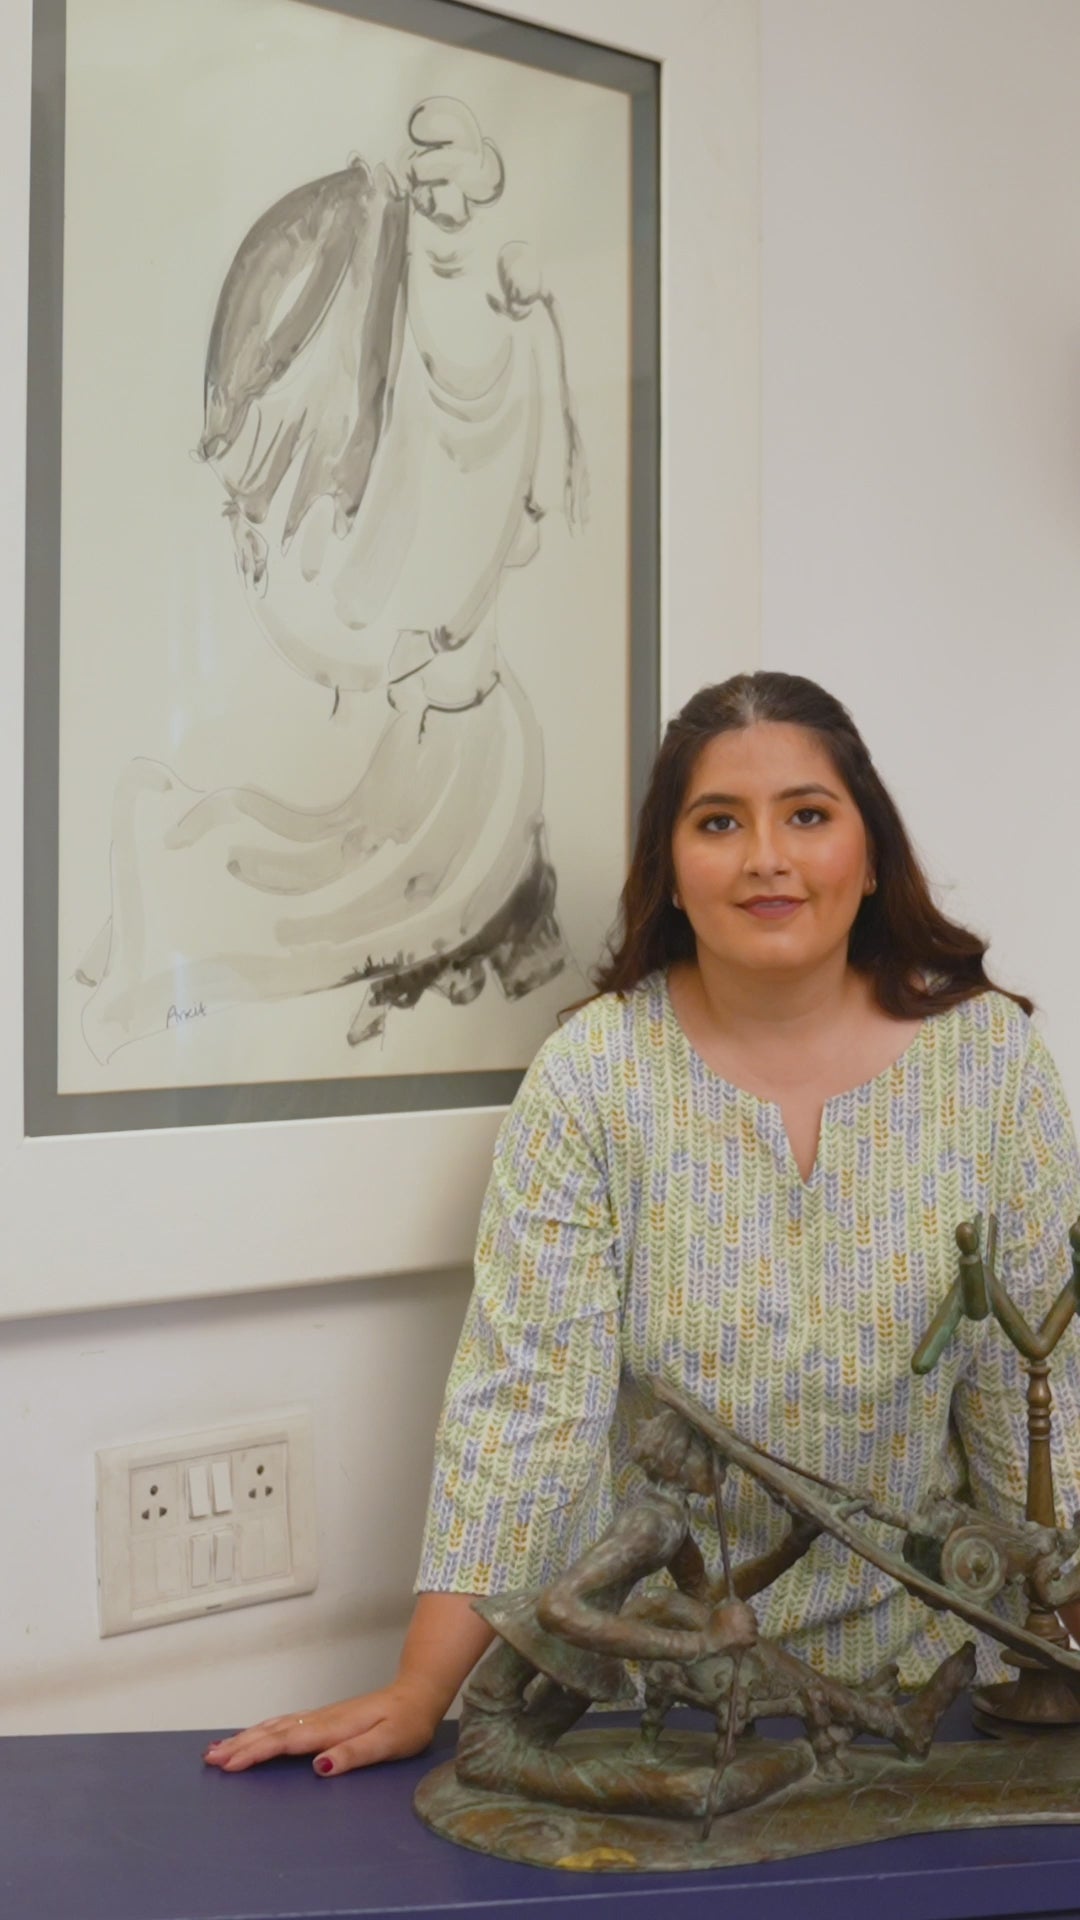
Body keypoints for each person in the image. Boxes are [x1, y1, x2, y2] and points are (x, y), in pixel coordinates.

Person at [203, 670, 1080, 1778]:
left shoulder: (992, 1064)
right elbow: (528, 1413)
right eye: (720, 823)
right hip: (675, 1706)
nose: (767, 858)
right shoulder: (592, 1080)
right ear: (669, 868)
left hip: (938, 1699)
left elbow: (1038, 1411)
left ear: (870, 856)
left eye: (808, 815)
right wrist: (422, 1691)